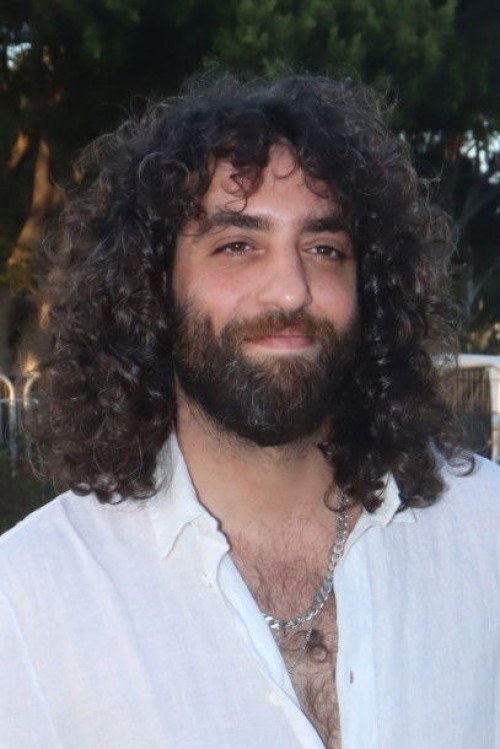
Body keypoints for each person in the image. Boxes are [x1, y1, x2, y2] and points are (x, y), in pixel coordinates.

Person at [0, 73, 499, 749]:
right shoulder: (27, 604)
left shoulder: (485, 531)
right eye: (237, 245)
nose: (290, 290)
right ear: (153, 286)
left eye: (324, 249)